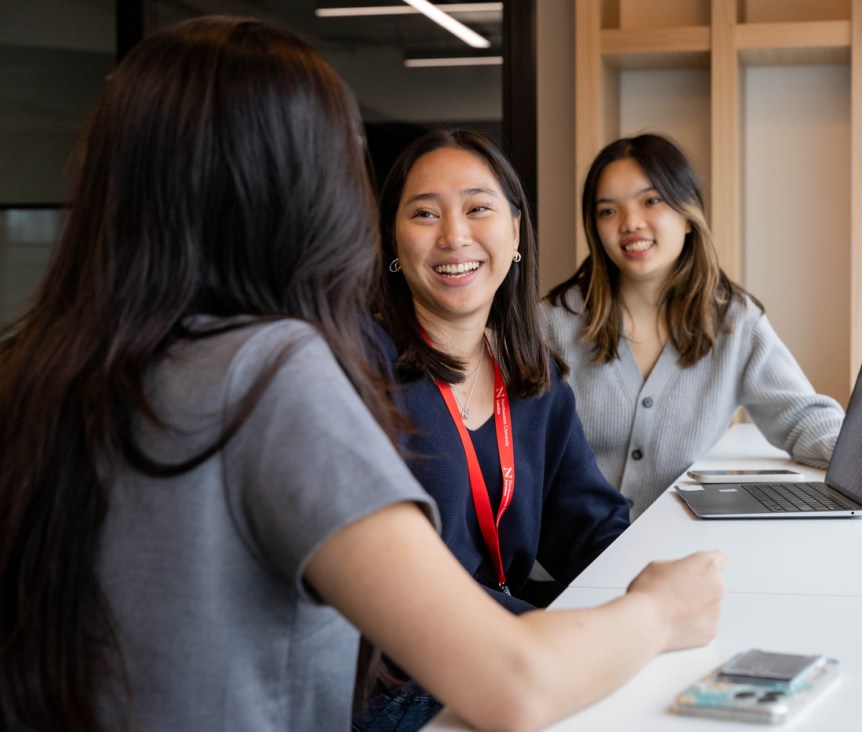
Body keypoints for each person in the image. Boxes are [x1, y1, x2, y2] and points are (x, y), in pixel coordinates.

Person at [0, 20, 725, 732]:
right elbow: (513, 683)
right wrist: (659, 611)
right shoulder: (272, 373)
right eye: (341, 155)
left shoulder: (45, 365)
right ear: (291, 188)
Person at [361, 129, 632, 728]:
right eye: (425, 213)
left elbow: (590, 527)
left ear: (515, 231)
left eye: (478, 208)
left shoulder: (531, 375)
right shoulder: (361, 369)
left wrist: (650, 583)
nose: (454, 235)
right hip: (395, 686)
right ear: (393, 242)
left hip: (499, 648)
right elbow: (406, 591)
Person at [544, 133, 847, 519]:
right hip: (564, 567)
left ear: (688, 215)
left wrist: (857, 449)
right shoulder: (552, 323)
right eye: (608, 211)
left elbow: (799, 415)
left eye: (651, 201)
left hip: (675, 550)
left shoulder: (734, 322)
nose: (629, 223)